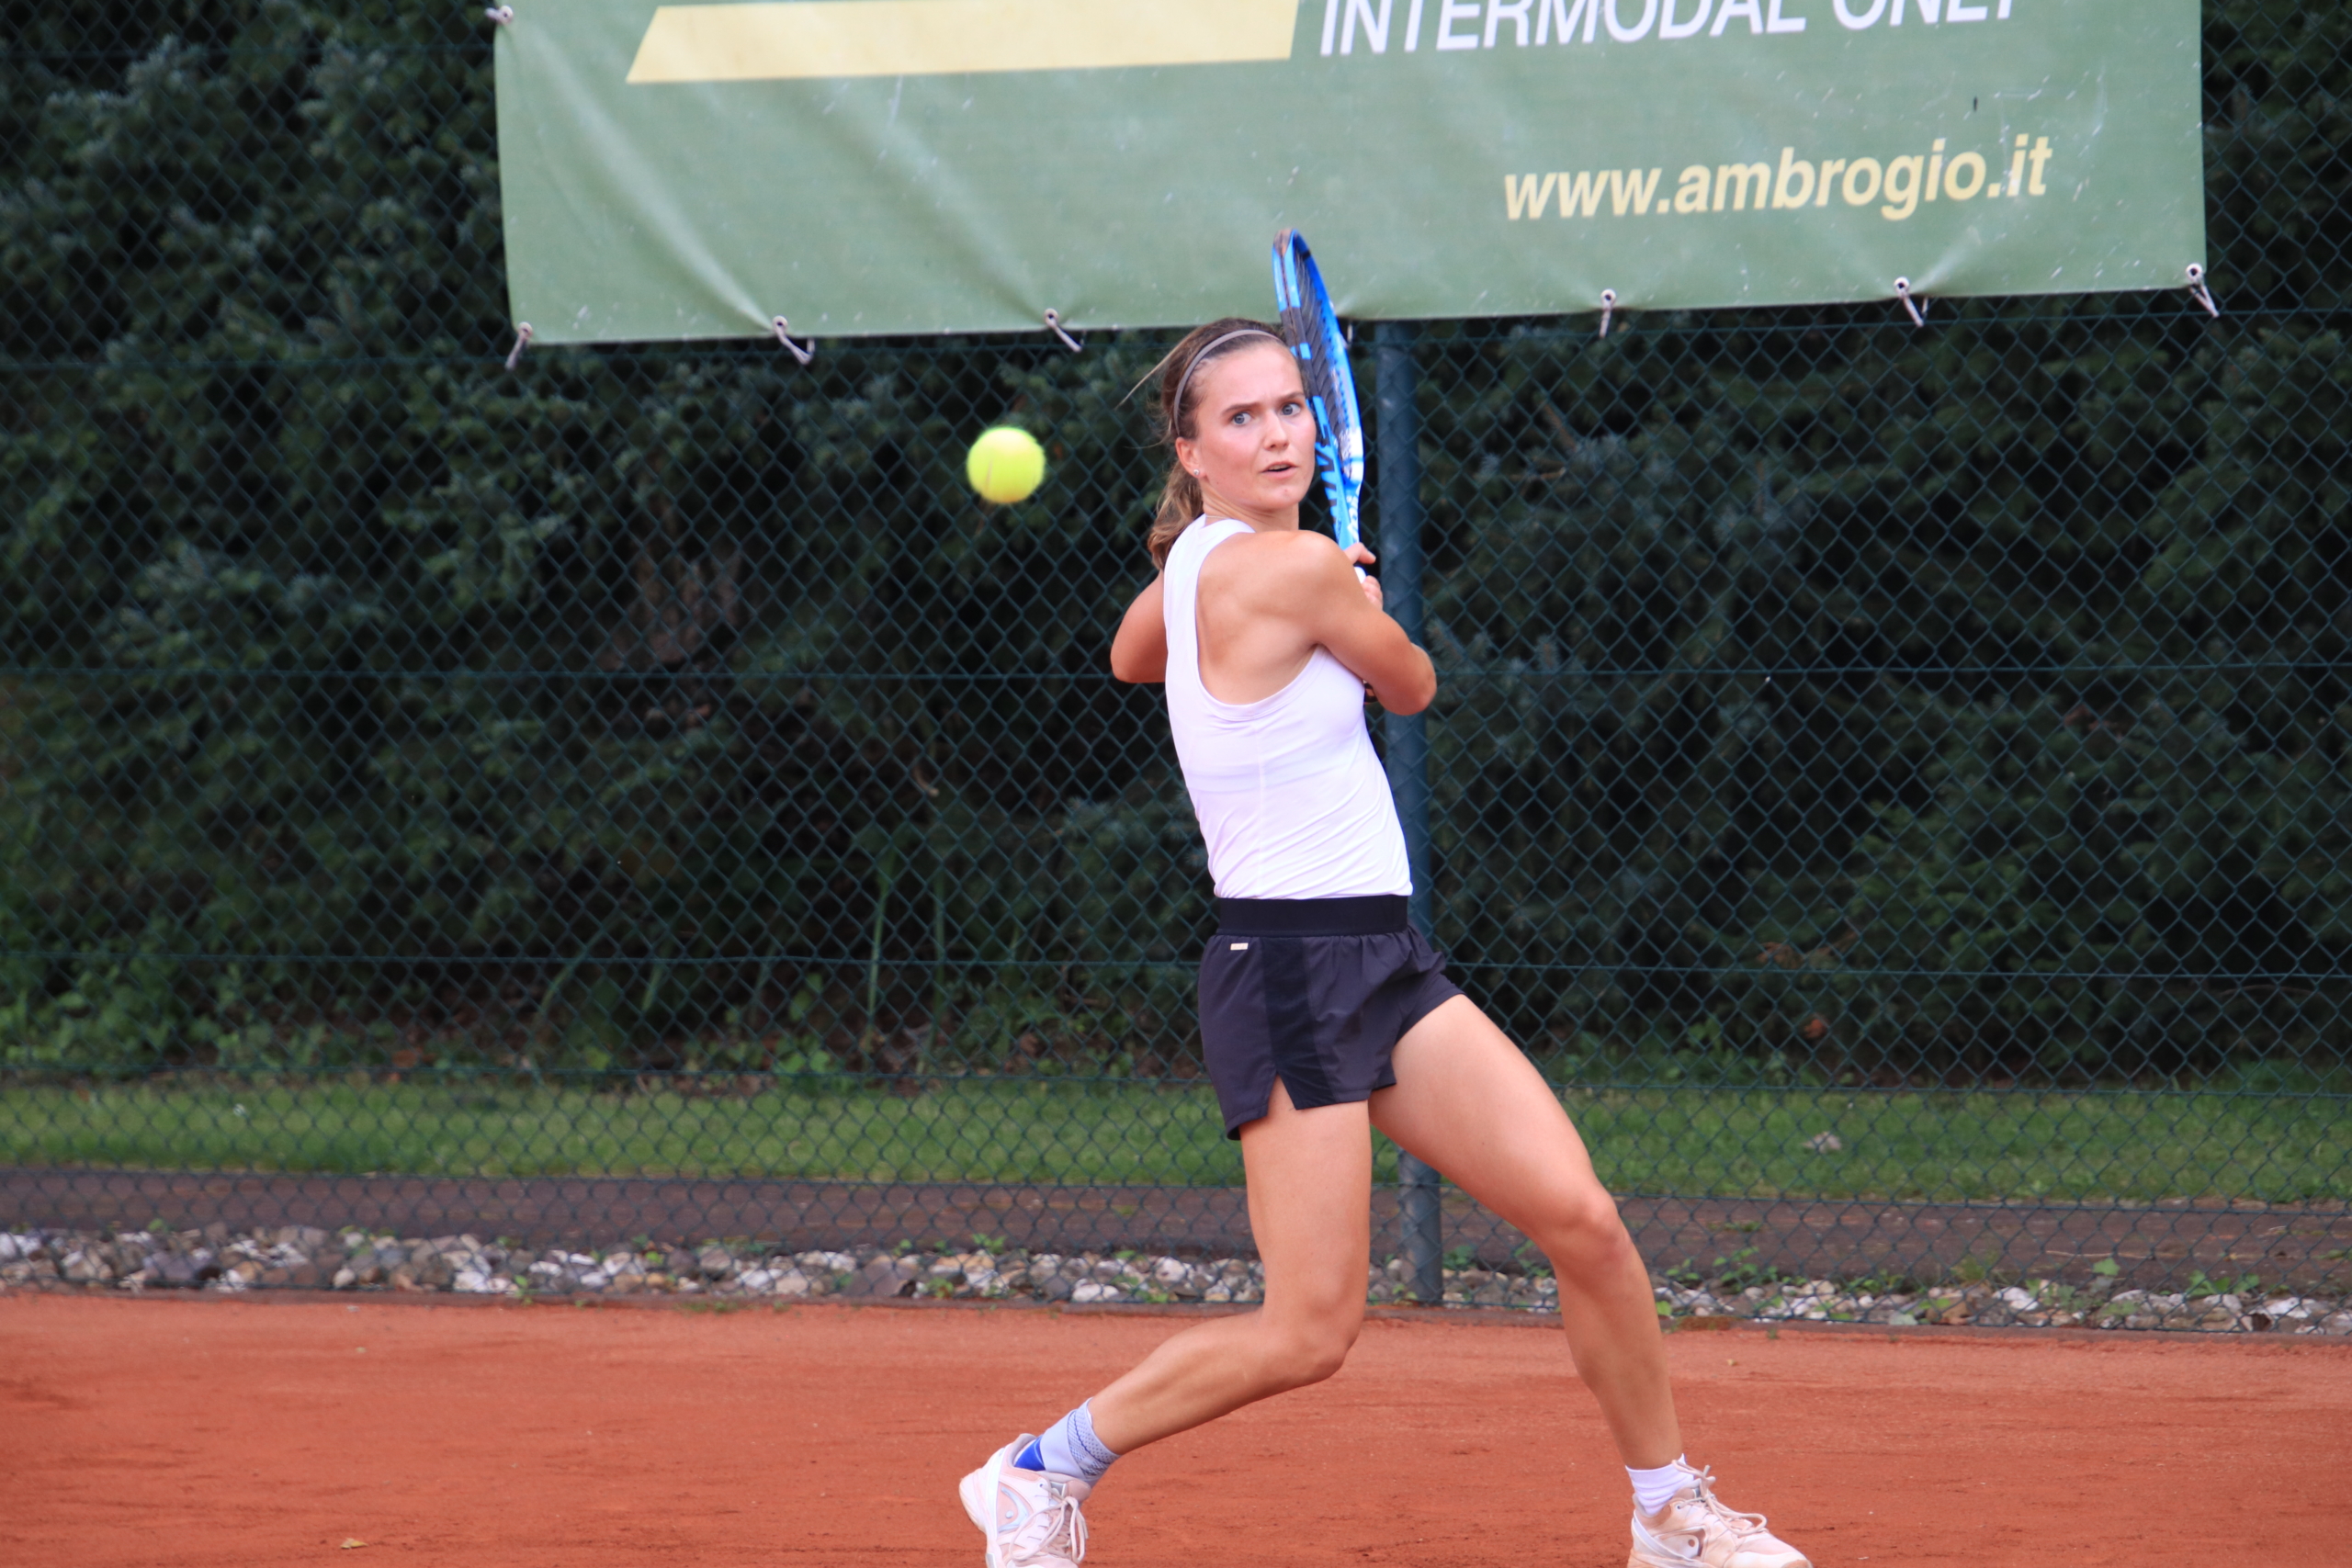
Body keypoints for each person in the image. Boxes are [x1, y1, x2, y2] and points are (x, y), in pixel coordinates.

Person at [958, 318, 1811, 1568]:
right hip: (1289, 974)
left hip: (1382, 962)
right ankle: (1039, 1470)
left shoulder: (1199, 563)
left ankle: (1670, 1513)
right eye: (1240, 418)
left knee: (1582, 1220)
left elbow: (1133, 653)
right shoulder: (1296, 567)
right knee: (1310, 1331)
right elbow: (1411, 685)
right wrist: (1347, 603)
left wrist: (1295, 604)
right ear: (1190, 451)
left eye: (1289, 408)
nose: (1278, 435)